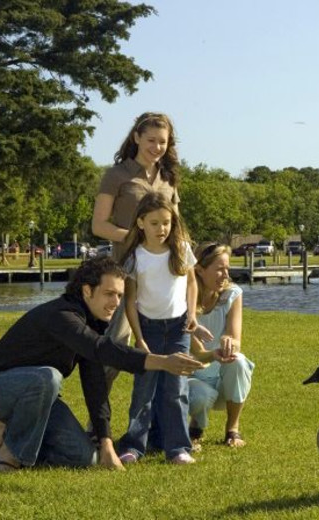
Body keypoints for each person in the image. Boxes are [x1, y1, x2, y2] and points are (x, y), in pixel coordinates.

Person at [0, 257, 203, 472]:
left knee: (85, 457)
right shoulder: (62, 316)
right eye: (109, 293)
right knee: (48, 377)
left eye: (119, 295)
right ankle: (9, 456)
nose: (116, 302)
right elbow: (101, 349)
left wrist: (106, 442)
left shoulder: (91, 324)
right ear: (87, 290)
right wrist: (161, 362)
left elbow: (94, 384)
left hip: (37, 397)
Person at [91, 112, 183, 395]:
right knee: (115, 349)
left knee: (164, 353)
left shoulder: (169, 179)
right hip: (124, 273)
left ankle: (161, 428)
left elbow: (176, 227)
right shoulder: (116, 175)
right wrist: (136, 237)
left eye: (163, 142)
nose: (156, 147)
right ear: (136, 138)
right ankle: (97, 426)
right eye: (151, 140)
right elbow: (99, 225)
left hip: (162, 277)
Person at [116, 192, 200, 464]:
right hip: (148, 330)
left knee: (176, 389)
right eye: (154, 223)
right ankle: (134, 446)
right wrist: (139, 338)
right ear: (141, 223)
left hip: (178, 329)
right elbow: (130, 302)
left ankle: (177, 448)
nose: (161, 229)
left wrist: (192, 314)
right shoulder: (135, 257)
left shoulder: (181, 249)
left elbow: (191, 284)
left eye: (166, 222)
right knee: (144, 390)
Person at [187, 242, 254, 449]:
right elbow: (197, 353)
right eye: (219, 269)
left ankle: (232, 429)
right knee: (200, 396)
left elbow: (235, 338)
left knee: (239, 361)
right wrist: (213, 354)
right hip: (193, 376)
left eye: (227, 269)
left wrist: (230, 343)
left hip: (223, 381)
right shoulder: (184, 299)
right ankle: (196, 426)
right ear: (199, 270)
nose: (225, 275)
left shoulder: (232, 294)